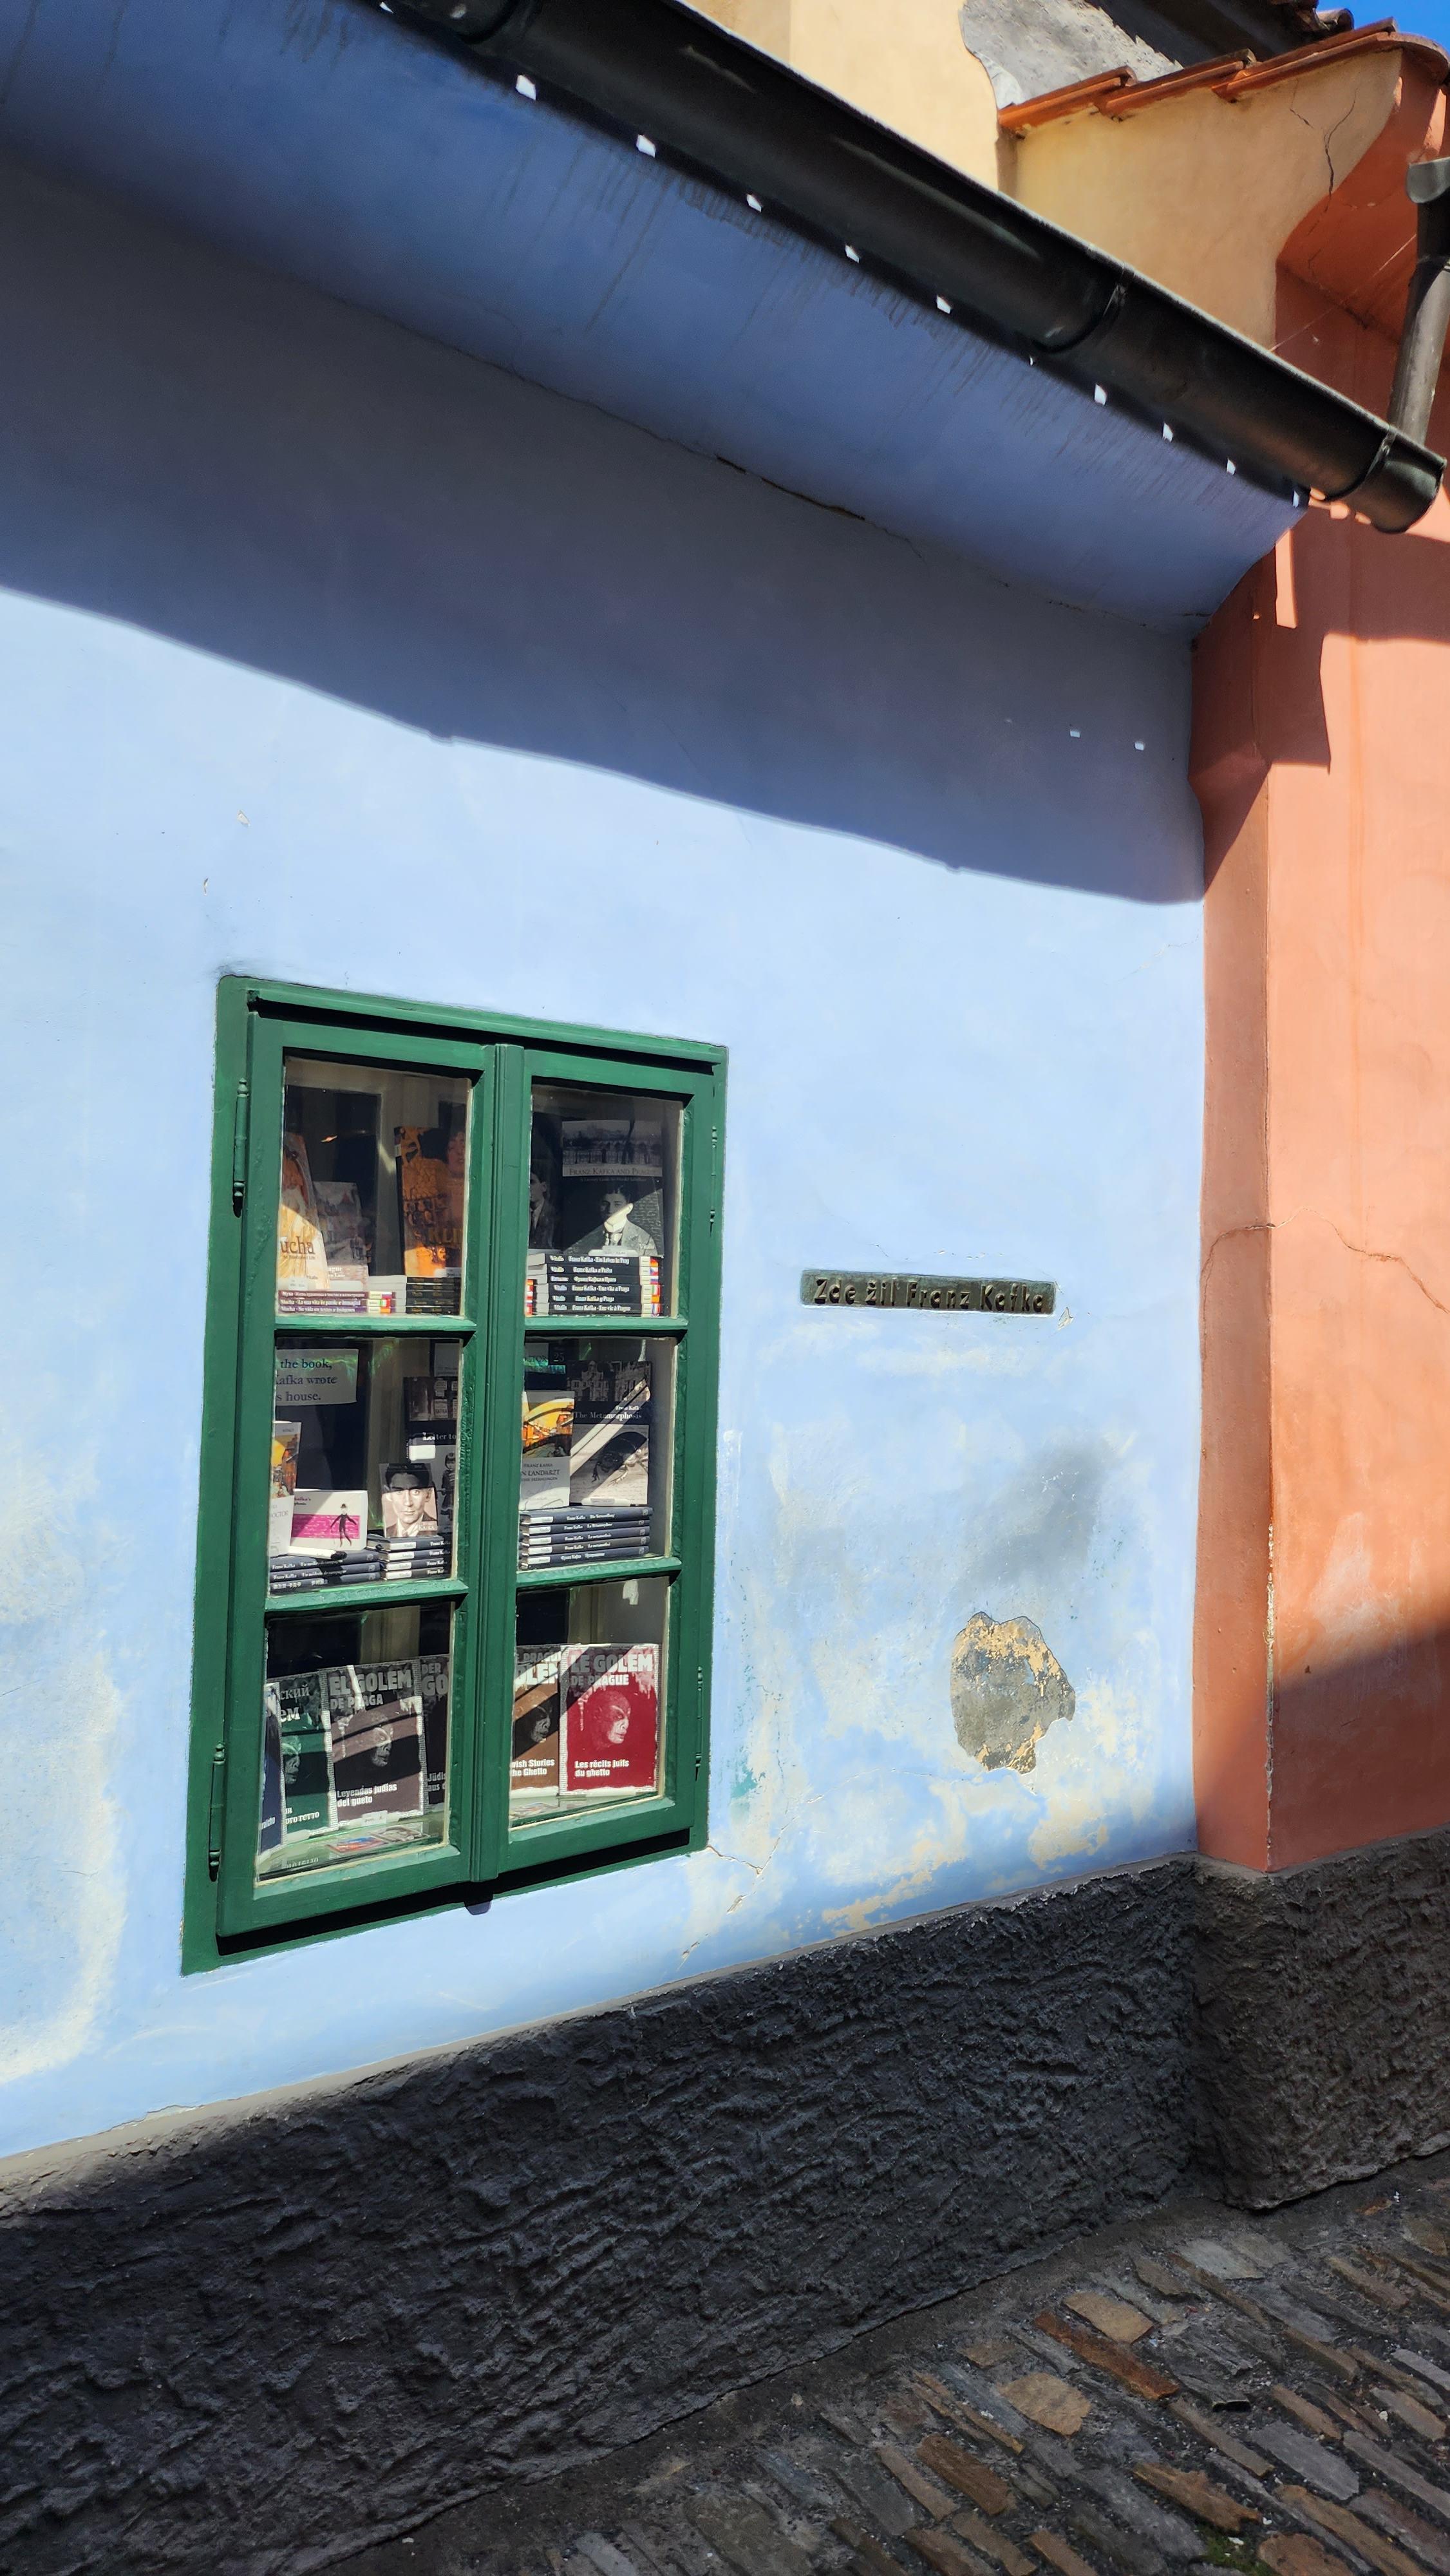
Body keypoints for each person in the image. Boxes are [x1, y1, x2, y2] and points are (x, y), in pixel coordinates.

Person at [566, 1185, 659, 1259]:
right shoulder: (587, 1238)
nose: (610, 1210)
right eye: (605, 1204)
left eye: (617, 1204)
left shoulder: (644, 1238)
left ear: (629, 1208)